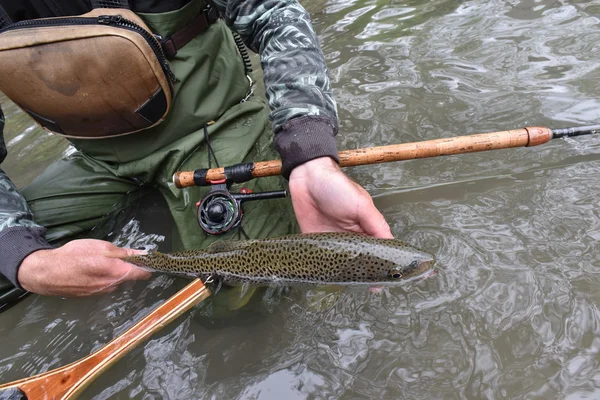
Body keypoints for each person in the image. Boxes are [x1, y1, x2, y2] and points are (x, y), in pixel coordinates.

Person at [0, 0, 392, 307]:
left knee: (239, 306)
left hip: (211, 127)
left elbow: (276, 15)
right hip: (98, 157)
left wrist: (310, 155)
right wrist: (26, 260)